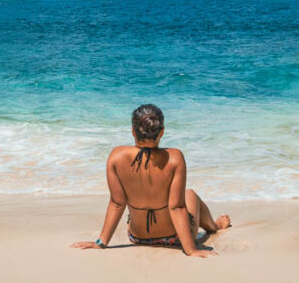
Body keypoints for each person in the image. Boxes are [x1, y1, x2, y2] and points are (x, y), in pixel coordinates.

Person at [71, 104, 231, 258]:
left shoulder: (116, 156)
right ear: (161, 132)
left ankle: (214, 226)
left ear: (133, 131)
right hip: (174, 238)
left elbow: (117, 203)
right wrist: (191, 250)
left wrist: (101, 242)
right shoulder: (174, 158)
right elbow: (176, 207)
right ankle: (215, 226)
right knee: (190, 195)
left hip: (137, 237)